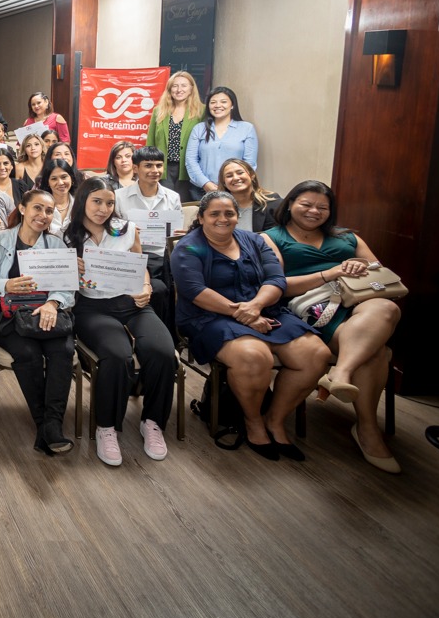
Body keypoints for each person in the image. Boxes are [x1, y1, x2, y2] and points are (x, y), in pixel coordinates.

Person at [170, 191, 330, 461]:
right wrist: (243, 313)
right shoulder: (189, 247)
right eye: (214, 214)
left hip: (265, 309)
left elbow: (276, 279)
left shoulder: (255, 240)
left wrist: (255, 307)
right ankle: (253, 422)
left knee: (316, 354)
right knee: (255, 356)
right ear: (201, 218)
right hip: (210, 316)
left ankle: (275, 420)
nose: (223, 219)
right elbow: (195, 291)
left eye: (229, 213)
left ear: (237, 216)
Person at [266, 181, 402, 472]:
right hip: (313, 308)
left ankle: (341, 372)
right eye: (306, 204)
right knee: (375, 352)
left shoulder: (348, 237)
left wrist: (359, 266)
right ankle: (367, 430)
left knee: (388, 307)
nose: (314, 211)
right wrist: (331, 273)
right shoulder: (271, 238)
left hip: (359, 303)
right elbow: (278, 285)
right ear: (290, 204)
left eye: (322, 207)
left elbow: (380, 273)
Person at [64, 177, 175, 466]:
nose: (103, 209)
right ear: (83, 201)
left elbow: (141, 267)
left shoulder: (127, 230)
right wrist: (69, 269)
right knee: (117, 355)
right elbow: (56, 281)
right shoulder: (66, 235)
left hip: (132, 304)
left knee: (163, 352)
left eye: (109, 203)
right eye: (96, 202)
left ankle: (152, 422)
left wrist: (146, 287)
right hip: (92, 308)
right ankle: (107, 427)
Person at [0, 188, 77, 455]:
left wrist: (53, 303)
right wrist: (6, 285)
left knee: (63, 350)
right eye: (37, 208)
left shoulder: (56, 245)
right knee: (27, 352)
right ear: (22, 209)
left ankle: (51, 425)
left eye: (49, 211)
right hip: (3, 310)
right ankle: (47, 426)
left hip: (45, 309)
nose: (43, 215)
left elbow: (67, 286)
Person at [115, 147, 183, 332]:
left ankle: (166, 332)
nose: (155, 170)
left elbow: (176, 234)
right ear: (136, 168)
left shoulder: (172, 197)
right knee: (157, 288)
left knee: (166, 286)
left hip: (162, 256)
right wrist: (125, 231)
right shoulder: (119, 197)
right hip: (131, 256)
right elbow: (112, 232)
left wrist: (179, 234)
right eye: (148, 166)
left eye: (159, 165)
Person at [186, 86, 258, 195]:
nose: (218, 105)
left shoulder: (247, 128)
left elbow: (250, 163)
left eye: (223, 102)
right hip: (202, 190)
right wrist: (205, 183)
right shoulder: (199, 129)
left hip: (236, 189)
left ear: (232, 105)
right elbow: (191, 160)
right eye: (213, 102)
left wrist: (234, 183)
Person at [144, 71, 204, 201]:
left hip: (189, 169)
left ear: (191, 89)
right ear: (170, 89)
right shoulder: (158, 111)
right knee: (164, 204)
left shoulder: (202, 111)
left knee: (185, 206)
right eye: (175, 86)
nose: (179, 90)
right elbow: (150, 143)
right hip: (163, 168)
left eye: (184, 85)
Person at [219, 158, 279, 231]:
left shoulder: (273, 202)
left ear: (252, 175)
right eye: (229, 176)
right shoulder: (217, 208)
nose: (235, 178)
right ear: (224, 183)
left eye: (240, 173)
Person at [37, 158, 80, 235]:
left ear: (71, 178)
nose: (60, 183)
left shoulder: (81, 204)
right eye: (54, 179)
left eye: (64, 177)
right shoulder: (39, 207)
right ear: (47, 182)